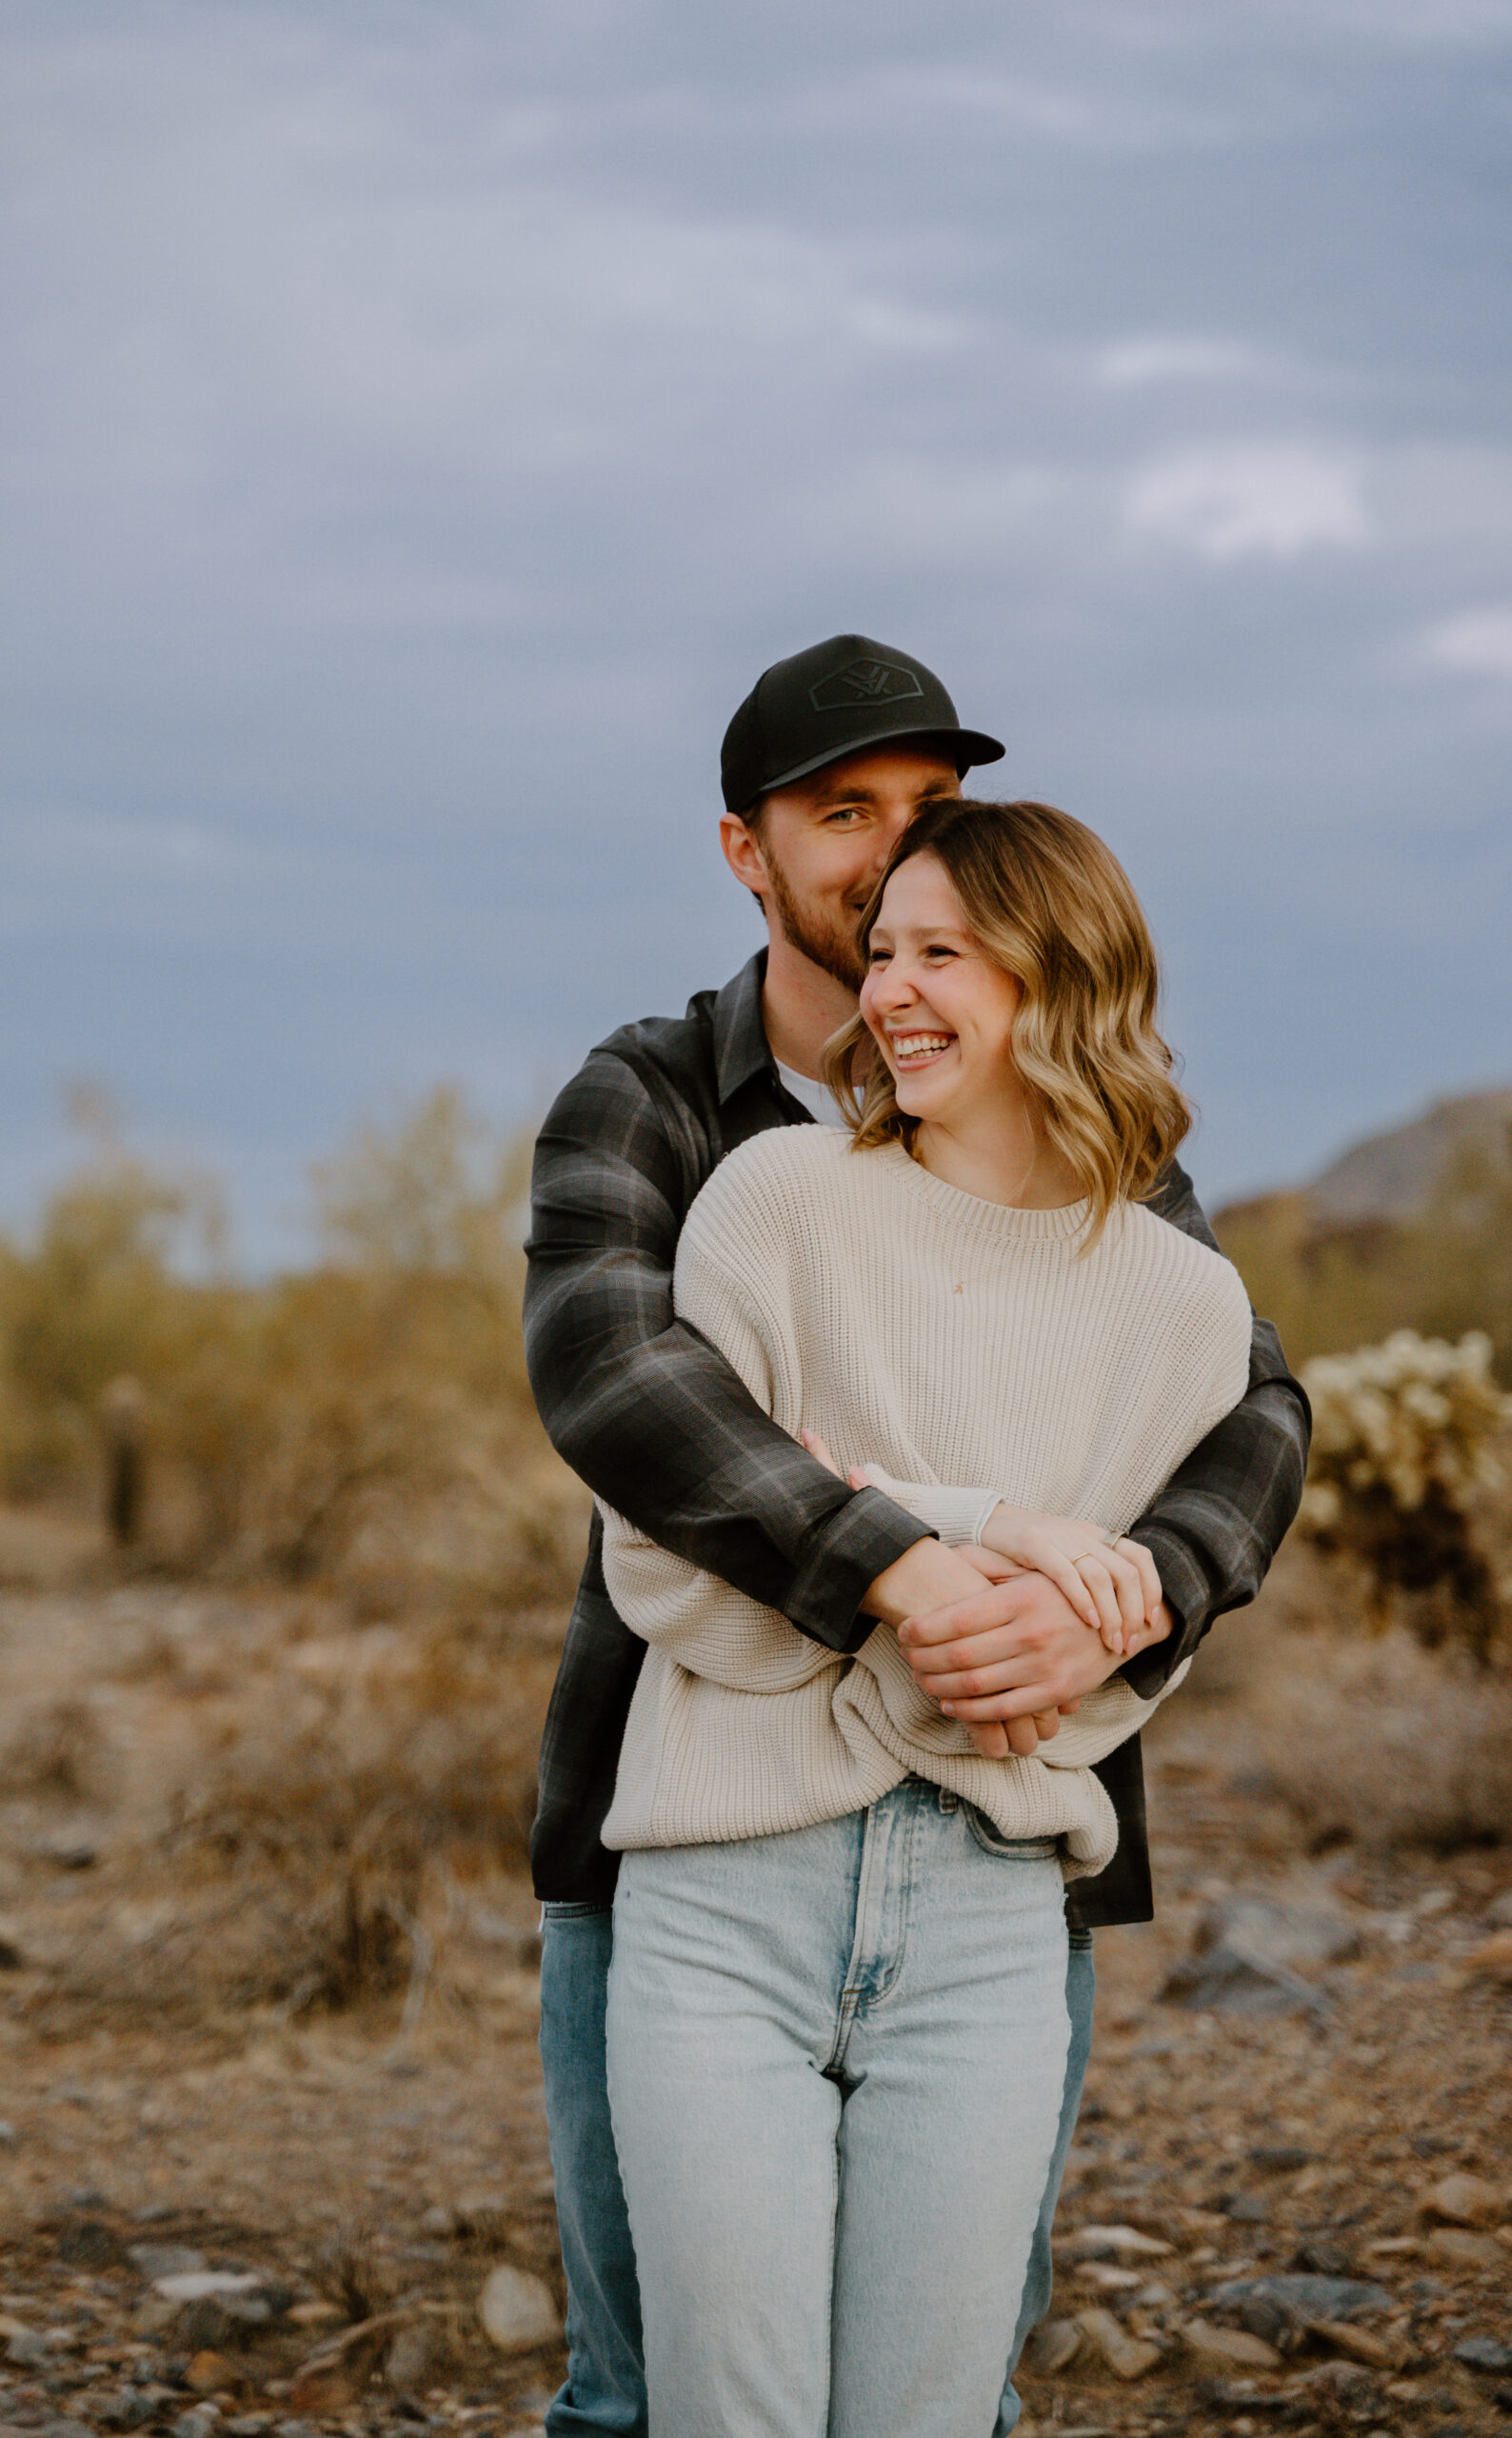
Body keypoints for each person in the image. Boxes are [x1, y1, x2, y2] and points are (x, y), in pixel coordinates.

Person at [524, 635, 1310, 2437]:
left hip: (999, 1829)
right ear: (748, 851)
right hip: (681, 1819)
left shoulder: (1106, 1177)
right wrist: (938, 1549)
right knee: (655, 2383)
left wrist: (1116, 1608)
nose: (890, 857)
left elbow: (1248, 1410)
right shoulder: (665, 1107)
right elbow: (623, 1391)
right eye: (845, 816)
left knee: (950, 2384)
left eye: (934, 819)